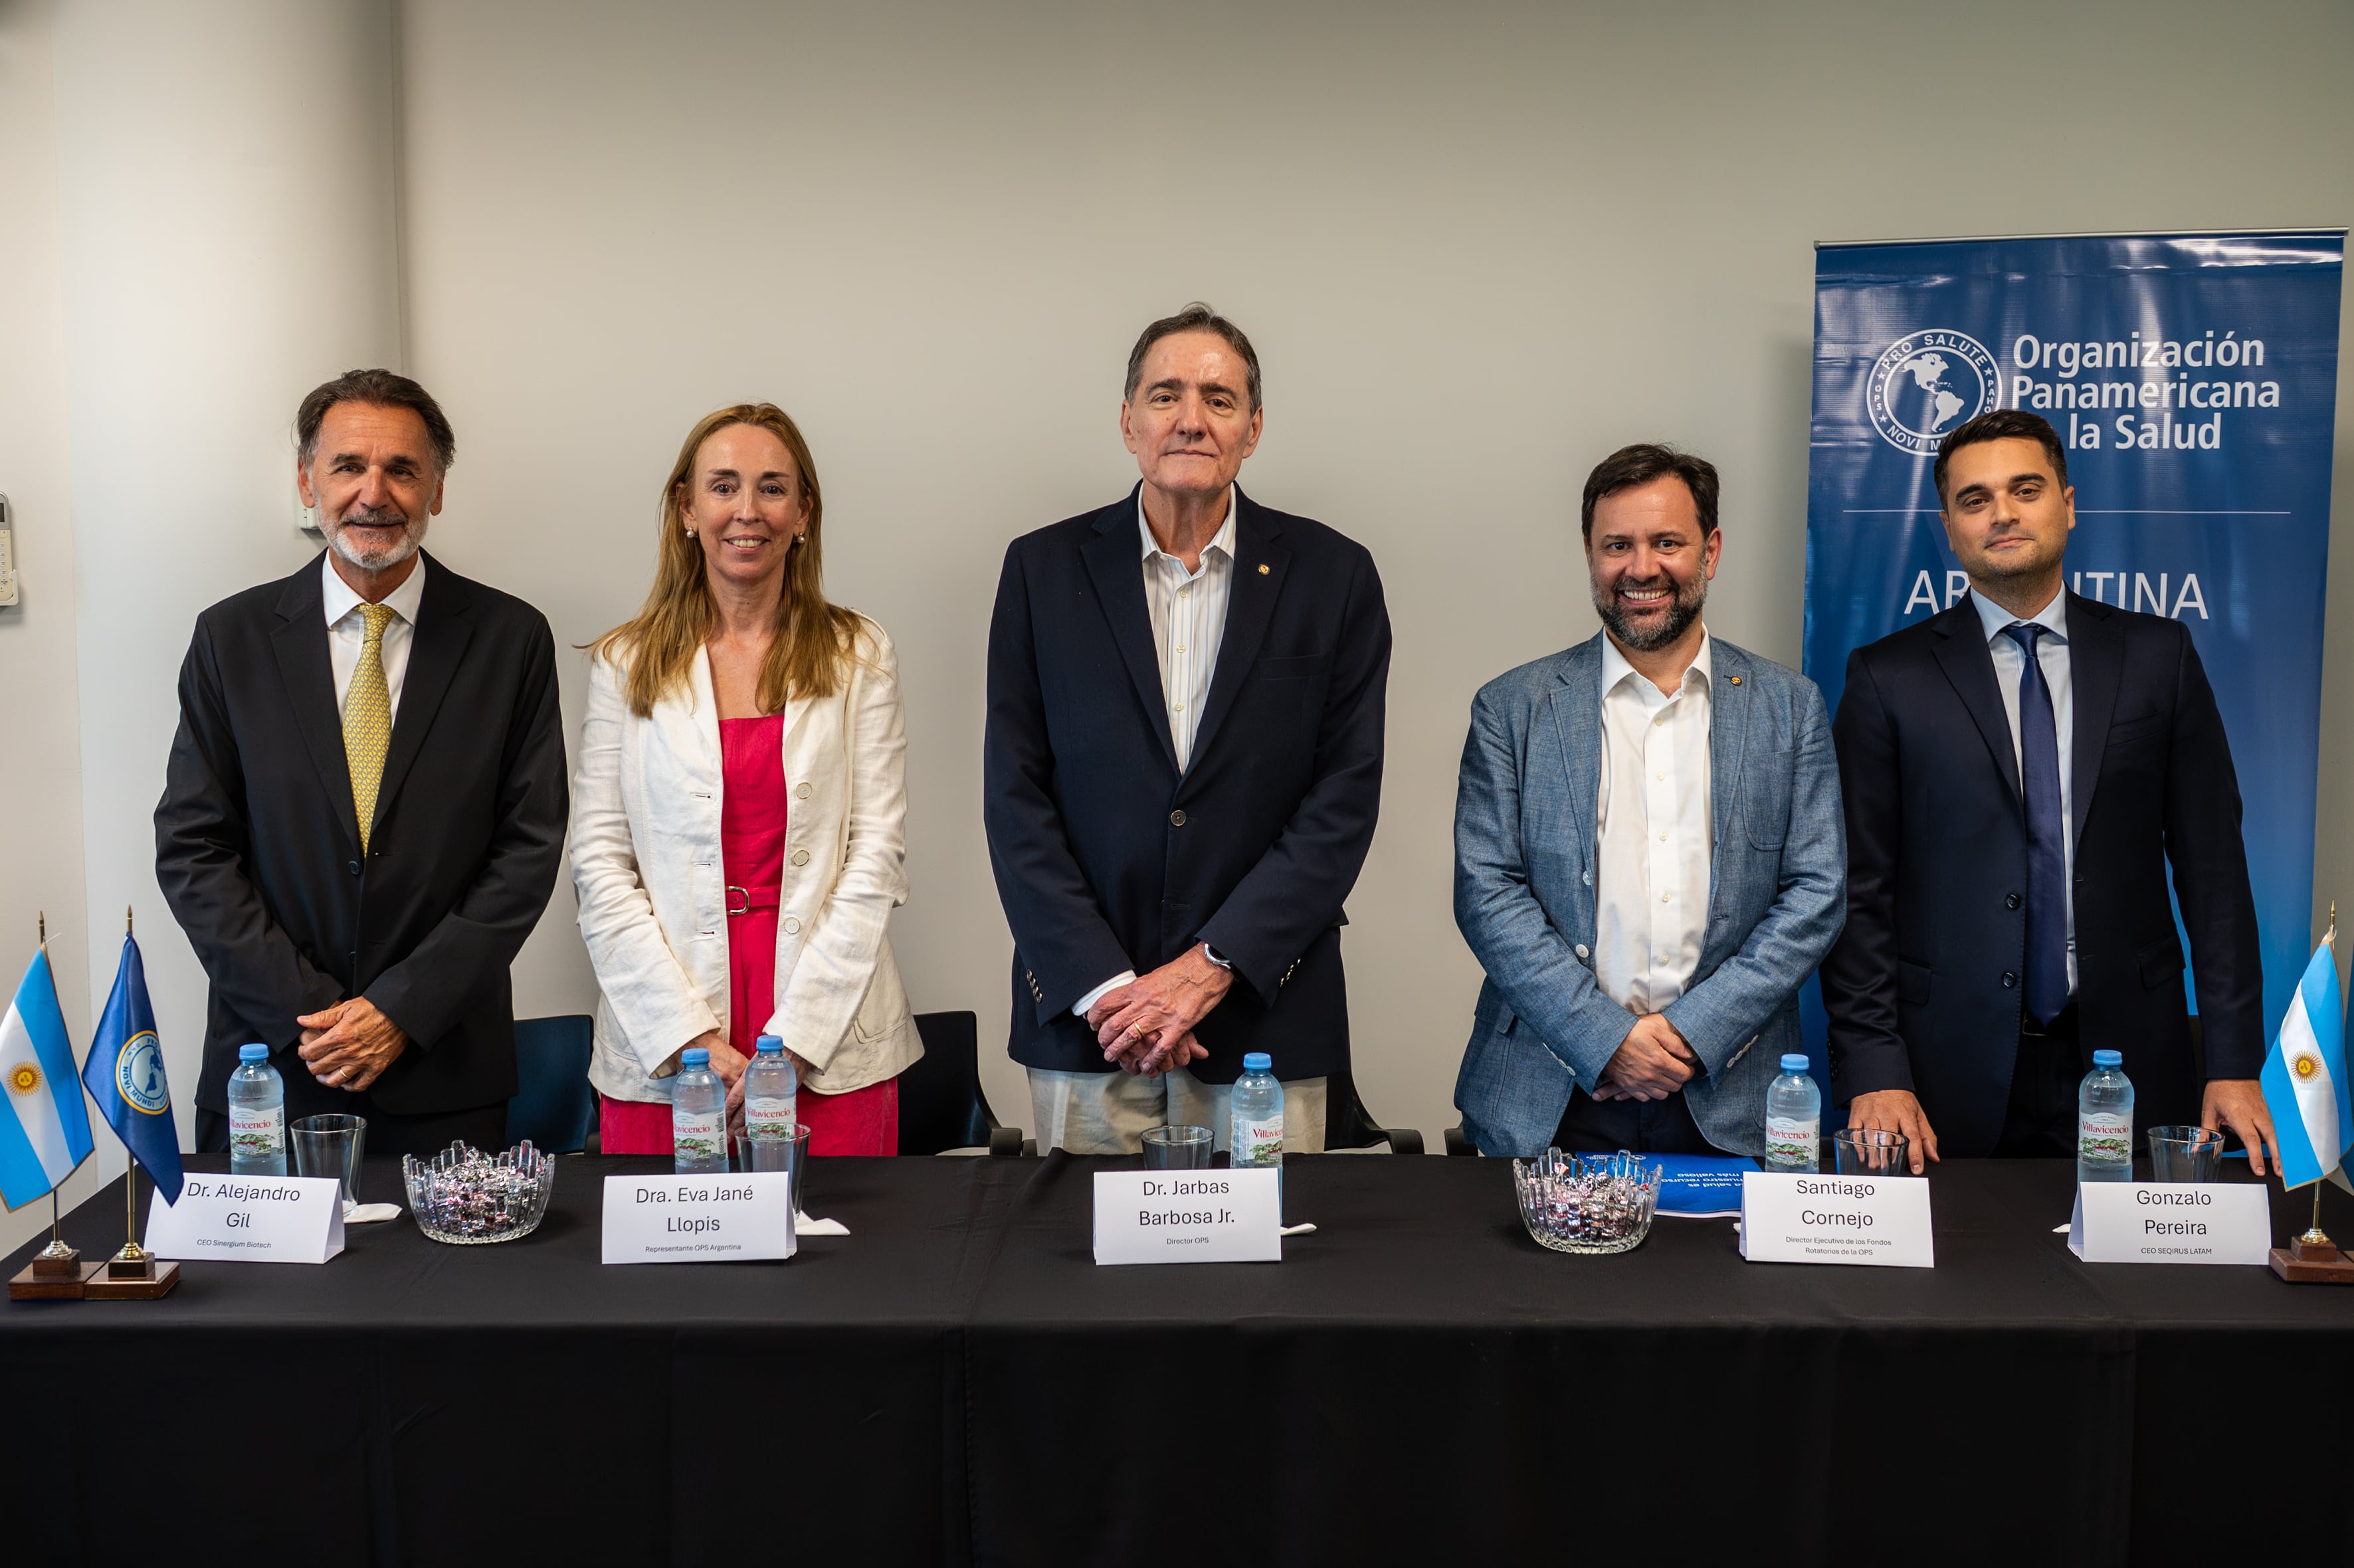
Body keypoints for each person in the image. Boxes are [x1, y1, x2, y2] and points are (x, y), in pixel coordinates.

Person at [1821, 408, 2277, 1171]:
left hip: (2133, 1060)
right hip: (1942, 1073)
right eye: (1975, 499)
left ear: (2067, 504)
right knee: (1955, 1253)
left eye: (2025, 489)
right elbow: (1857, 891)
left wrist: (2232, 1060)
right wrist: (1874, 1065)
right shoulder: (1886, 677)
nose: (2001, 512)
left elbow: (2216, 875)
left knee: (2142, 1256)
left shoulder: (2158, 656)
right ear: (1949, 527)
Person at [984, 303, 1391, 1153]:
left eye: (1219, 398)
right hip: (1093, 1026)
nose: (1191, 419)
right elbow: (1016, 799)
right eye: (1165, 395)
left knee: (1269, 1242)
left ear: (1254, 428)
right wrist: (1108, 991)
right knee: (1082, 1243)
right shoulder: (1040, 571)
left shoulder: (1335, 576)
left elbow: (1341, 805)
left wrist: (1211, 967)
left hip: (1266, 1017)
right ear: (1128, 420)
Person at [155, 369, 568, 1159]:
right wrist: (312, 1015)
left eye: (401, 469)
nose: (373, 493)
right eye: (348, 466)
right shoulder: (231, 638)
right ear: (307, 482)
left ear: (437, 488)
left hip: (443, 1073)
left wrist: (402, 1009)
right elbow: (192, 849)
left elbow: (528, 850)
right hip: (271, 1070)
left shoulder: (511, 639)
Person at [1452, 444, 1846, 1157]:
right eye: (1617, 545)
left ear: (1710, 551)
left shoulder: (1790, 709)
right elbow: (1487, 892)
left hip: (1731, 1093)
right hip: (1550, 1095)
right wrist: (1604, 1040)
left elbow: (1816, 893)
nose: (1641, 568)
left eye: (1667, 542)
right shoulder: (1512, 708)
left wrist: (1694, 1033)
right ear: (1589, 553)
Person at [573, 403, 918, 1157]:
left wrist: (795, 1040)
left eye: (772, 487)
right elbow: (599, 863)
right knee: (675, 1233)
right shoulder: (624, 663)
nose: (747, 510)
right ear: (687, 509)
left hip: (826, 1028)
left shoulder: (860, 653)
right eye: (723, 486)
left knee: (838, 1234)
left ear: (804, 513)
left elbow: (876, 856)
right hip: (668, 1027)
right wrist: (687, 1035)